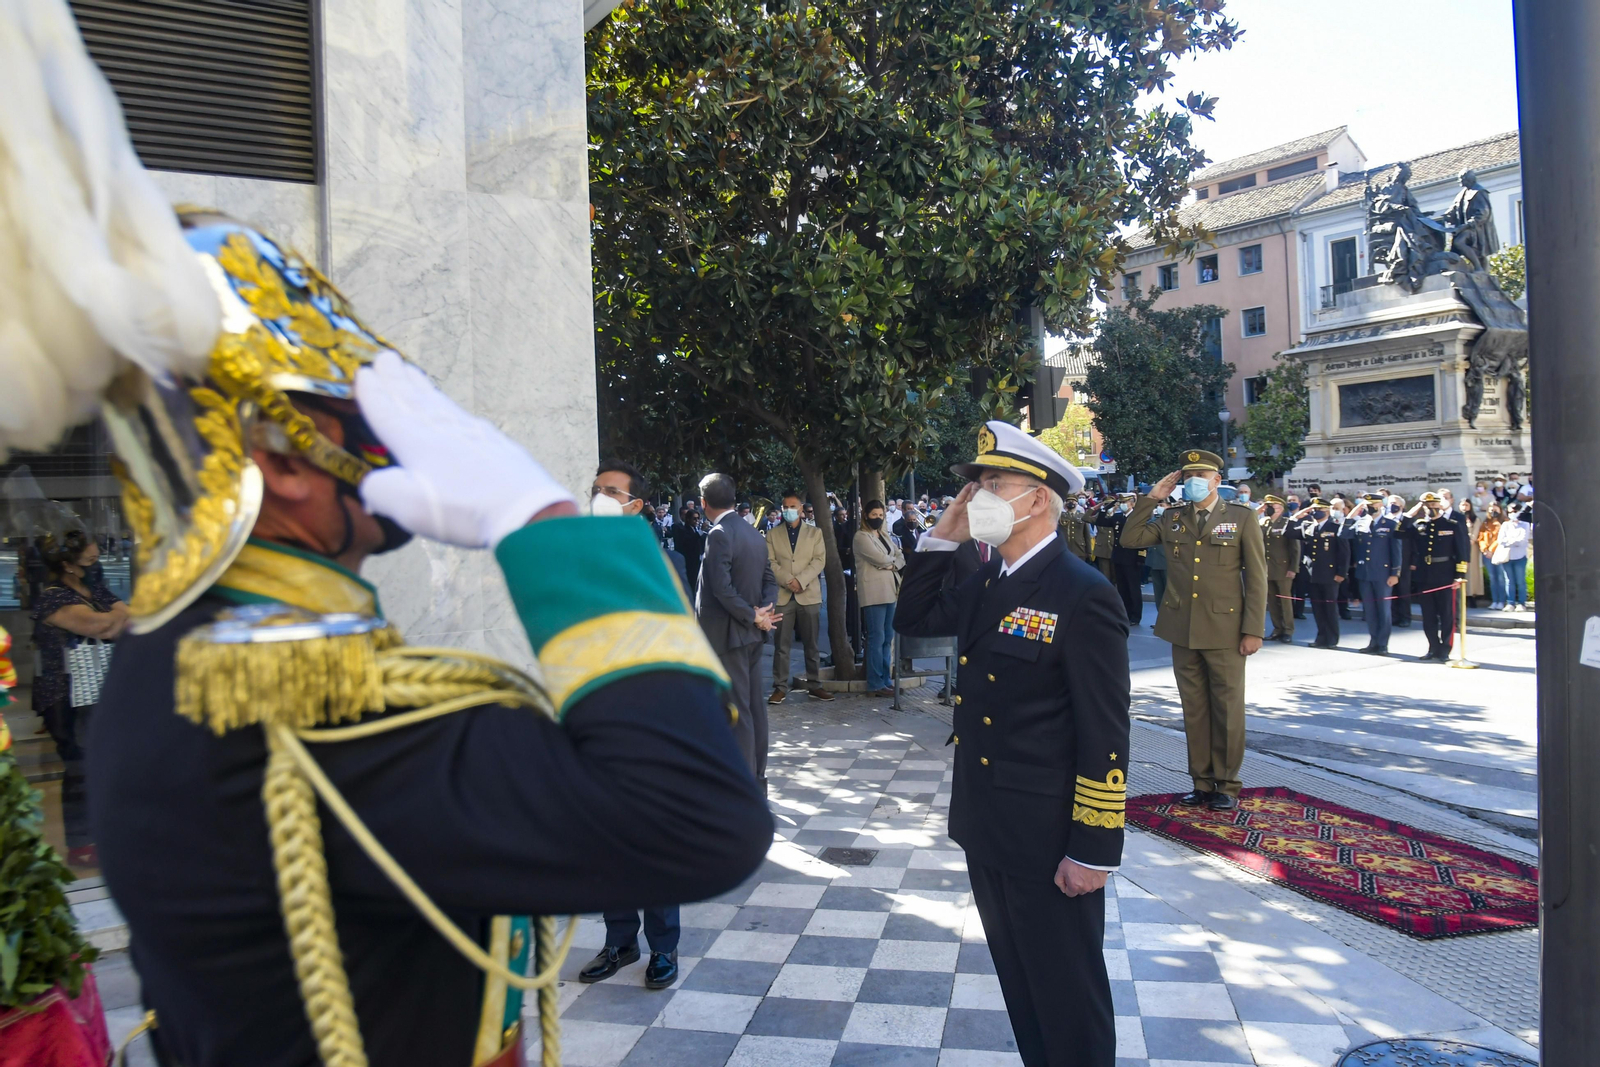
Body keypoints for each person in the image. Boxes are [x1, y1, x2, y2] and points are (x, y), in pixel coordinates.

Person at [43, 195, 773, 1066]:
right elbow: (700, 815)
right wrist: (540, 518)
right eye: (370, 417)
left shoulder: (168, 657)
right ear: (281, 461)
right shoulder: (301, 709)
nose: (406, 442)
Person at [895, 420, 1128, 1067]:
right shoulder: (987, 582)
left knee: (1068, 1001)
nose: (979, 499)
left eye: (995, 485)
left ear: (1038, 499)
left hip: (1050, 840)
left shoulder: (1083, 593)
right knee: (1024, 995)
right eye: (977, 487)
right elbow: (914, 617)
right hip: (989, 825)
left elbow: (1105, 732)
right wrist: (944, 533)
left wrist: (1093, 847)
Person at [578, 461, 690, 990]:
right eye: (596, 490)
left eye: (611, 492)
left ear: (636, 506)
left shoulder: (662, 563)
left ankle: (662, 948)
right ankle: (619, 941)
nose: (600, 497)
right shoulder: (578, 563)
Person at [1123, 450, 1266, 812]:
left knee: (1227, 710)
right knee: (1195, 710)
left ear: (1218, 480)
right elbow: (1131, 538)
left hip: (1225, 629)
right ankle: (1201, 782)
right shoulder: (1171, 518)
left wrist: (1253, 630)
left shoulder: (1240, 518)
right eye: (1187, 476)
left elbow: (1258, 577)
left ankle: (1228, 784)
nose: (1192, 482)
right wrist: (1151, 499)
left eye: (1200, 475)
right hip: (1182, 628)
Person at [696, 473, 781, 779]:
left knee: (738, 709)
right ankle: (757, 775)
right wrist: (764, 612)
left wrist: (754, 615)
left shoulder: (719, 533)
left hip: (729, 634)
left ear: (704, 503)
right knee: (753, 708)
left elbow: (721, 588)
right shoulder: (753, 533)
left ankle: (745, 782)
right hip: (751, 632)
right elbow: (770, 581)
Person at [31, 530, 131, 762]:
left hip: (95, 689)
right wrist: (115, 617)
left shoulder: (95, 590)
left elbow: (130, 619)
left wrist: (115, 618)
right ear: (68, 565)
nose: (96, 566)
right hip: (66, 697)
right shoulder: (54, 598)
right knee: (82, 763)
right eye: (90, 561)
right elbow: (102, 627)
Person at [765, 491, 833, 703]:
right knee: (781, 646)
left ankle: (815, 685)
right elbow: (770, 563)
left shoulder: (815, 533)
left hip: (808, 594)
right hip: (783, 596)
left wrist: (801, 581)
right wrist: (788, 581)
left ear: (802, 509)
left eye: (793, 507)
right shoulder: (772, 534)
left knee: (811, 645)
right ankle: (780, 687)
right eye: (785, 507)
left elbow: (819, 560)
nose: (788, 511)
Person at [1404, 492, 1471, 661]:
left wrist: (1459, 575)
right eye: (1427, 506)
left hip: (1445, 574)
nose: (1431, 508)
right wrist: (1412, 512)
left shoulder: (1452, 524)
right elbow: (1399, 532)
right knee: (1428, 615)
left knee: (1447, 614)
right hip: (1425, 575)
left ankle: (1445, 650)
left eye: (1434, 505)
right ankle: (1433, 647)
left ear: (1439, 506)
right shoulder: (1420, 525)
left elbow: (1462, 551)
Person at [854, 500, 906, 697]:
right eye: (874, 515)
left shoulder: (883, 534)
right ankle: (875, 683)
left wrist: (891, 564)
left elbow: (900, 556)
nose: (878, 518)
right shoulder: (861, 537)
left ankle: (886, 680)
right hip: (873, 592)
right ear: (866, 515)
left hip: (891, 590)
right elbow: (879, 558)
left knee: (887, 638)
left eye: (881, 515)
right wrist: (892, 562)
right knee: (877, 638)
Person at [1339, 494, 1402, 654]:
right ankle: (1373, 641)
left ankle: (1382, 644)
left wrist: (1395, 573)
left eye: (1373, 504)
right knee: (1370, 610)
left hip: (1383, 574)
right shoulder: (1361, 523)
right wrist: (1352, 514)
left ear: (1381, 505)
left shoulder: (1390, 524)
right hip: (1364, 573)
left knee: (1383, 610)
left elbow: (1396, 550)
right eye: (1367, 504)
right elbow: (1343, 534)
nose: (1370, 507)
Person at [1294, 498, 1349, 648]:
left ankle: (1332, 638)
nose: (1315, 512)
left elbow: (1344, 553)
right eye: (1314, 510)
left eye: (1319, 510)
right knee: (1317, 608)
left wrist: (1341, 573)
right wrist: (1298, 515)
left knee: (1330, 608)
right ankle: (1321, 637)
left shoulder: (1336, 527)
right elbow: (1289, 532)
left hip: (1330, 574)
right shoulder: (1310, 527)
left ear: (1326, 511)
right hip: (1313, 574)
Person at [1087, 494, 1145, 626]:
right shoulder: (1118, 517)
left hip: (1132, 558)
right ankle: (1125, 613)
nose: (1123, 504)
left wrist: (1141, 556)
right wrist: (1108, 506)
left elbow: (1142, 539)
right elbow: (1101, 521)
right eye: (1121, 502)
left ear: (1132, 503)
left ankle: (1135, 616)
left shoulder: (1136, 518)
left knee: (1133, 589)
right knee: (1122, 588)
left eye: (1125, 502)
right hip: (1118, 557)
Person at [1259, 495, 1301, 643]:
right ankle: (1277, 629)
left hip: (1283, 568)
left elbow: (1295, 548)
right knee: (1272, 601)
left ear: (1281, 508)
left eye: (1273, 506)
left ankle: (1288, 630)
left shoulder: (1288, 523)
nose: (1270, 508)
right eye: (1268, 506)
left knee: (1285, 601)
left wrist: (1293, 568)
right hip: (1267, 568)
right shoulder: (1263, 523)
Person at [833, 504, 862, 659]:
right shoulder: (843, 528)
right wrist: (847, 550)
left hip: (860, 567)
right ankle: (851, 626)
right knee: (851, 598)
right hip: (848, 567)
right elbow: (838, 546)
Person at [1491, 504, 1531, 611]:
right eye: (1510, 512)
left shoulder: (1525, 525)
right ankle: (1510, 603)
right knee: (1509, 580)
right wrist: (1513, 541)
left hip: (1520, 556)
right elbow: (1501, 540)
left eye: (1515, 511)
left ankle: (1521, 603)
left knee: (1520, 580)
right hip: (1507, 556)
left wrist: (1510, 541)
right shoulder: (1505, 525)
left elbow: (1523, 540)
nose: (1513, 514)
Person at [1479, 504, 1507, 610]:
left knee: (1501, 578)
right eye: (1491, 509)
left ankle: (1502, 601)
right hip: (1487, 555)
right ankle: (1495, 601)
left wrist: (1491, 549)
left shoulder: (1504, 522)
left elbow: (1500, 538)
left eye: (1495, 509)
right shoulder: (1486, 523)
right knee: (1492, 578)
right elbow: (1481, 537)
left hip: (1498, 553)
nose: (1493, 511)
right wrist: (1484, 549)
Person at [677, 503, 708, 593]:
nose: (697, 521)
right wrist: (701, 530)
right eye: (694, 519)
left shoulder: (695, 529)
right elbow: (690, 541)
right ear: (688, 519)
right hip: (690, 562)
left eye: (698, 518)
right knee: (692, 583)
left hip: (698, 560)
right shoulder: (683, 529)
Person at [1058, 495, 1092, 561]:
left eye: (1073, 501)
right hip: (1065, 548)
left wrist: (1089, 551)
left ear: (1077, 503)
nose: (1071, 502)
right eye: (1069, 501)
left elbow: (1087, 535)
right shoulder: (1060, 516)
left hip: (1079, 549)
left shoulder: (1082, 516)